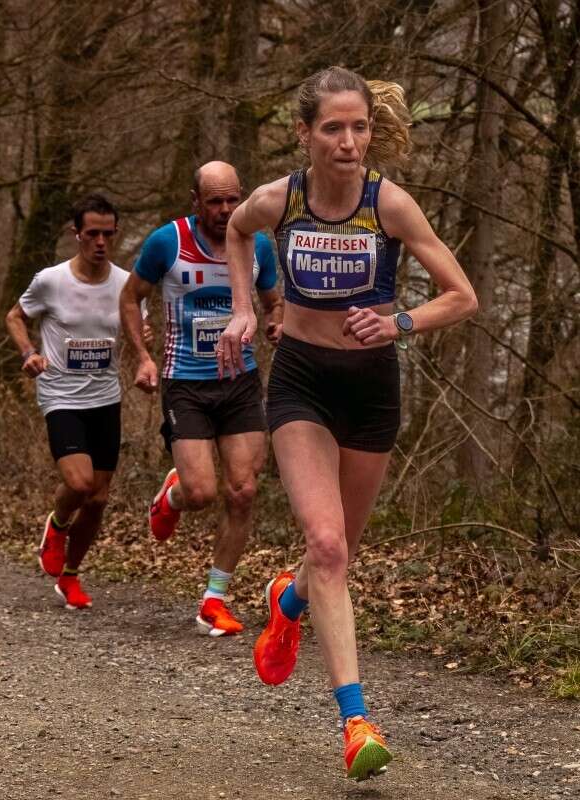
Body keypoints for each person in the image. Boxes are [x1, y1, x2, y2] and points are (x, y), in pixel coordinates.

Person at [217, 66, 478, 780]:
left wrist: (399, 321)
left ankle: (288, 598)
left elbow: (463, 296)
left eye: (359, 126)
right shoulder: (280, 201)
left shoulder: (389, 206)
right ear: (304, 133)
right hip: (301, 381)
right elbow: (237, 234)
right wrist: (244, 307)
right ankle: (356, 721)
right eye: (332, 127)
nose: (349, 140)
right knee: (326, 543)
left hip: (371, 391)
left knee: (336, 558)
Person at [120, 160, 283, 637]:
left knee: (244, 491)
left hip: (240, 381)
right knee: (201, 493)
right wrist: (142, 357)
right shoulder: (166, 242)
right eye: (215, 201)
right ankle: (171, 496)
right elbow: (132, 297)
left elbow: (274, 301)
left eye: (233, 198)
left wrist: (276, 321)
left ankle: (214, 598)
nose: (226, 209)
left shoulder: (258, 245)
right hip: (185, 382)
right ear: (196, 202)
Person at [5, 193, 148, 610]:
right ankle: (58, 524)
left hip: (105, 397)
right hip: (60, 395)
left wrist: (144, 352)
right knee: (79, 484)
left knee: (100, 498)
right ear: (76, 234)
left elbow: (140, 329)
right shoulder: (51, 280)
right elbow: (15, 316)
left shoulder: (126, 284)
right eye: (92, 234)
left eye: (108, 233)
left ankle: (70, 575)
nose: (100, 242)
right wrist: (28, 353)